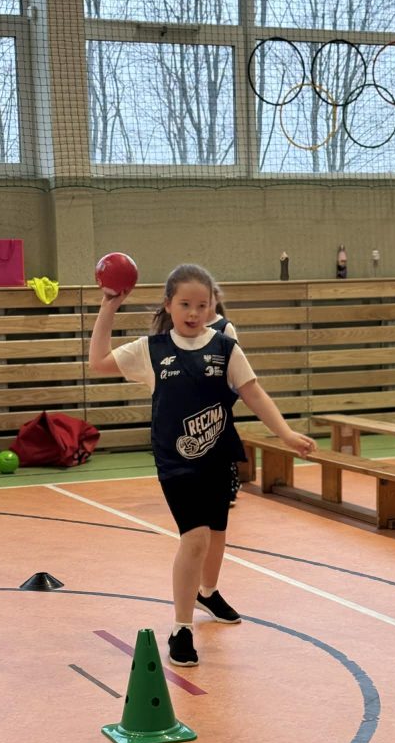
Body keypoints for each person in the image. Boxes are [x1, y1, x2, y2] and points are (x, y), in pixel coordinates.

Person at [88, 263, 316, 668]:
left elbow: (254, 393)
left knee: (216, 535)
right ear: (168, 305)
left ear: (212, 306)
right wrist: (109, 305)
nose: (193, 313)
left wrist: (285, 434)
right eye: (184, 305)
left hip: (218, 456)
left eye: (201, 305)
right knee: (194, 539)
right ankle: (181, 628)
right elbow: (99, 361)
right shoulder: (151, 350)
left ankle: (207, 593)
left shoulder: (225, 347)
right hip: (175, 462)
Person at [205, 284, 242, 506]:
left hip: (220, 392)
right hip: (197, 393)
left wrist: (229, 390)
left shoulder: (224, 327)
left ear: (216, 299)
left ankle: (230, 486)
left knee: (222, 439)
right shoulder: (190, 327)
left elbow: (235, 361)